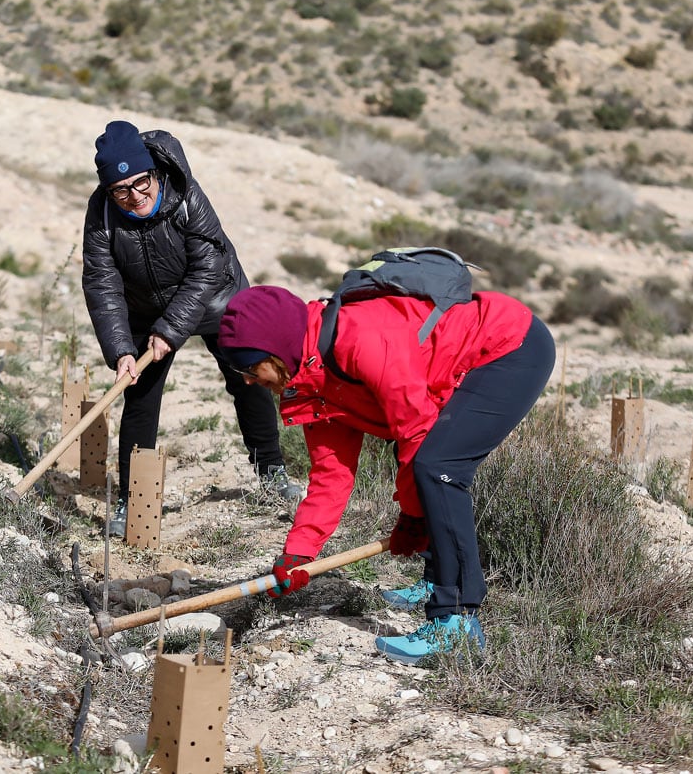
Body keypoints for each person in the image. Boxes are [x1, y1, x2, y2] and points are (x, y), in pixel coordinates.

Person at [217, 283, 555, 664]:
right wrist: (299, 554)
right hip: (459, 367)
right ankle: (435, 577)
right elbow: (332, 475)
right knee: (427, 463)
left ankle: (456, 620)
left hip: (508, 346)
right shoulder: (308, 382)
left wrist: (413, 517)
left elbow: (416, 427)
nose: (246, 380)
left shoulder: (359, 339)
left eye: (249, 367)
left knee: (438, 467)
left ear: (276, 348)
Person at [81, 120, 296, 538]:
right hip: (145, 307)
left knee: (247, 381)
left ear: (154, 174)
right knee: (140, 395)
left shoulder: (185, 194)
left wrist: (170, 329)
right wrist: (122, 349)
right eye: (121, 189)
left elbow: (208, 265)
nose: (135, 196)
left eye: (141, 183)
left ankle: (271, 473)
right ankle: (132, 499)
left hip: (215, 296)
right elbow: (101, 282)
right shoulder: (103, 214)